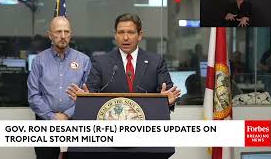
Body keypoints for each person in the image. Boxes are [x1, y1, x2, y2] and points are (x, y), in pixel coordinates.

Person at [67, 13, 180, 106]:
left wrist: (168, 102)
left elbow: (166, 94)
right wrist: (85, 99)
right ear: (115, 36)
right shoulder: (100, 62)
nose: (125, 37)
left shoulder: (156, 62)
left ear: (140, 35)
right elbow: (91, 93)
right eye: (121, 32)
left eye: (131, 32)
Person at [27, 16, 91, 159]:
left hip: (75, 123)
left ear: (71, 34)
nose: (63, 36)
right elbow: (33, 95)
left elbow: (89, 95)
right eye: (58, 32)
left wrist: (67, 114)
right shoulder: (39, 61)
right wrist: (53, 117)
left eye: (66, 31)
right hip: (45, 123)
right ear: (50, 35)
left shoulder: (84, 60)